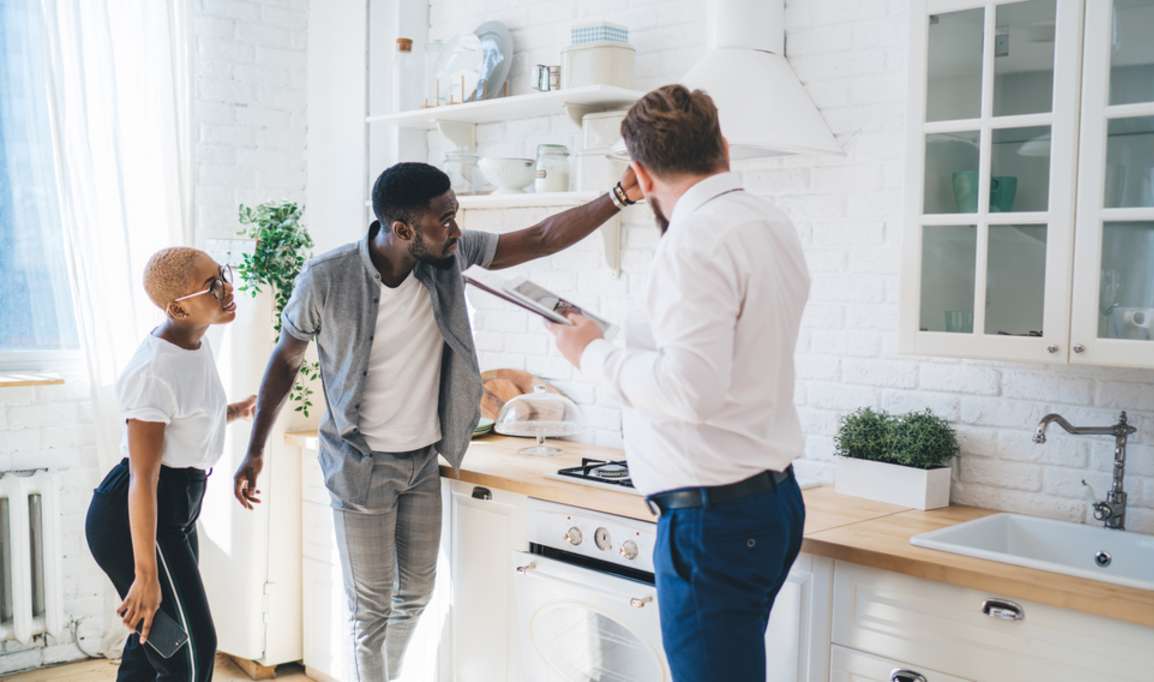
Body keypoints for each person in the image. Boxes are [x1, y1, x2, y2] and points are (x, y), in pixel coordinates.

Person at [233, 161, 642, 682]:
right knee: (371, 610)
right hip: (360, 467)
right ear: (402, 229)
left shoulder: (449, 256)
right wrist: (256, 448)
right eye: (444, 219)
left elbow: (539, 237)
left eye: (456, 215)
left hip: (423, 461)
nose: (455, 229)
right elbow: (285, 359)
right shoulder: (327, 278)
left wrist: (617, 197)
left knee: (416, 596)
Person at [545, 84, 809, 682]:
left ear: (639, 172)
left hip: (713, 521)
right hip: (769, 502)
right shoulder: (770, 221)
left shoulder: (695, 242)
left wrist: (591, 354)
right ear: (724, 145)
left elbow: (692, 390)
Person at [85, 247, 257, 682]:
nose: (228, 289)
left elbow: (183, 419)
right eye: (213, 286)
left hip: (175, 507)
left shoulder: (192, 341)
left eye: (223, 275)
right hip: (142, 511)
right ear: (177, 307)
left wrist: (234, 412)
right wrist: (145, 577)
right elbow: (144, 478)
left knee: (154, 640)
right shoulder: (154, 371)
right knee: (191, 653)